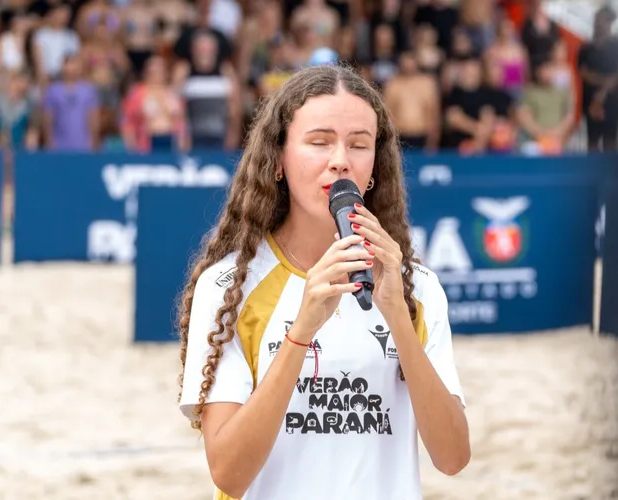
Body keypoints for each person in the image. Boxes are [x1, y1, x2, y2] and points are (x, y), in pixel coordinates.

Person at [176, 65, 470, 500]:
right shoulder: (228, 286)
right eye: (319, 142)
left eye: (359, 144)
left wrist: (397, 317)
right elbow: (229, 472)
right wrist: (301, 331)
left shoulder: (416, 288)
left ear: (374, 167)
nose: (340, 159)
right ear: (278, 159)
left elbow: (452, 458)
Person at [578, 5, 618, 152]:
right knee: (592, 138)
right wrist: (603, 84)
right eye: (597, 20)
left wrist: (603, 92)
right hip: (590, 97)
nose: (599, 23)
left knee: (610, 138)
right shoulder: (586, 47)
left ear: (610, 22)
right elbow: (583, 71)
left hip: (612, 98)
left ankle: (609, 173)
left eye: (603, 20)